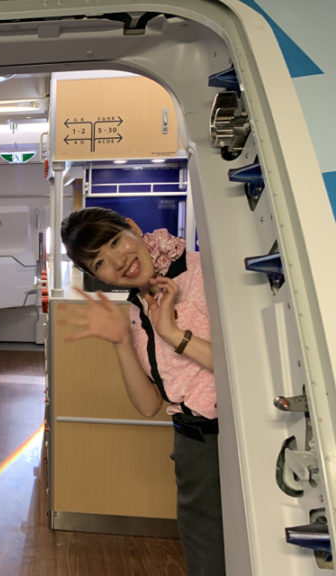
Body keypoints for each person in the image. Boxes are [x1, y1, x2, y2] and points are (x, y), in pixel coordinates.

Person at [59, 206, 224, 576]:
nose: (118, 261)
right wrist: (120, 342)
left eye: (116, 241)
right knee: (208, 562)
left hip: (238, 439)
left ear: (134, 227)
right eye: (100, 261)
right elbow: (150, 405)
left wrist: (172, 333)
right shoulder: (136, 310)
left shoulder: (206, 271)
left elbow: (245, 369)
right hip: (193, 449)